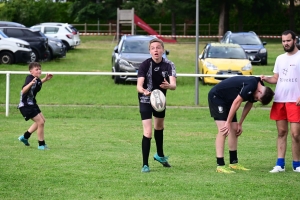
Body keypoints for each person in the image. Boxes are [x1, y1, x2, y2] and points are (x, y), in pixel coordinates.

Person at [208, 76, 274, 173]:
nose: (256, 99)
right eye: (257, 98)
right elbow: (237, 102)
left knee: (234, 129)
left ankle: (233, 163)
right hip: (217, 97)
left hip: (229, 101)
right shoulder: (251, 85)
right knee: (223, 130)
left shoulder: (259, 86)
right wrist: (227, 123)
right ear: (260, 92)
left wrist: (240, 123)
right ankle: (220, 165)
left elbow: (249, 103)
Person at [261, 30, 300, 173]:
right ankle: (280, 164)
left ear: (295, 40)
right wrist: (266, 79)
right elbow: (276, 78)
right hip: (280, 100)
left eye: (288, 40)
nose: (286, 43)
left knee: (296, 134)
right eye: (283, 41)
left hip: (295, 101)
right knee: (281, 132)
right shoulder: (280, 58)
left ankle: (297, 164)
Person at [137, 38, 177, 173]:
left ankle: (159, 155)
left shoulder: (169, 65)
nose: (156, 50)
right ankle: (145, 164)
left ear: (162, 50)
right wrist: (144, 90)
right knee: (148, 132)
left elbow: (174, 85)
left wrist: (169, 86)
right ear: (150, 51)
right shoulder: (144, 65)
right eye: (153, 48)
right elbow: (139, 86)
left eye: (158, 47)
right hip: (145, 99)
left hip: (159, 100)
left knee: (159, 127)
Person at [18, 62, 53, 150]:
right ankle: (41, 144)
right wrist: (30, 83)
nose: (39, 71)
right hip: (26, 105)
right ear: (31, 72)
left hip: (32, 104)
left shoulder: (36, 79)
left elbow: (37, 83)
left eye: (40, 69)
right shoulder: (29, 78)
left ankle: (25, 137)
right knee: (40, 122)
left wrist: (45, 79)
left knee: (42, 121)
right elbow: (23, 90)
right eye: (36, 69)